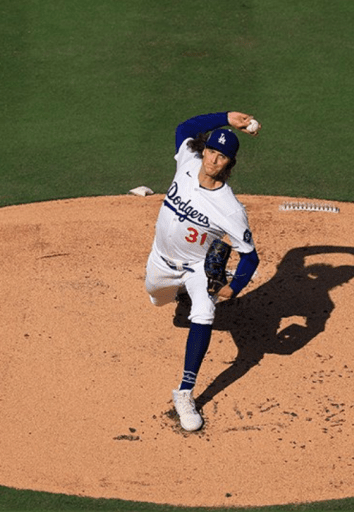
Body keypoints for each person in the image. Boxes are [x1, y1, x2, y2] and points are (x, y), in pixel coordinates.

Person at [144, 111, 262, 432]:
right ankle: (177, 294)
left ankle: (185, 392)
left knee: (205, 312)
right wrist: (226, 117)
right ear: (204, 149)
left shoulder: (231, 210)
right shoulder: (188, 160)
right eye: (211, 150)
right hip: (160, 263)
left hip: (197, 267)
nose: (212, 160)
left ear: (229, 164)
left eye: (221, 156)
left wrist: (232, 289)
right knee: (156, 298)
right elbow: (184, 128)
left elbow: (250, 258)